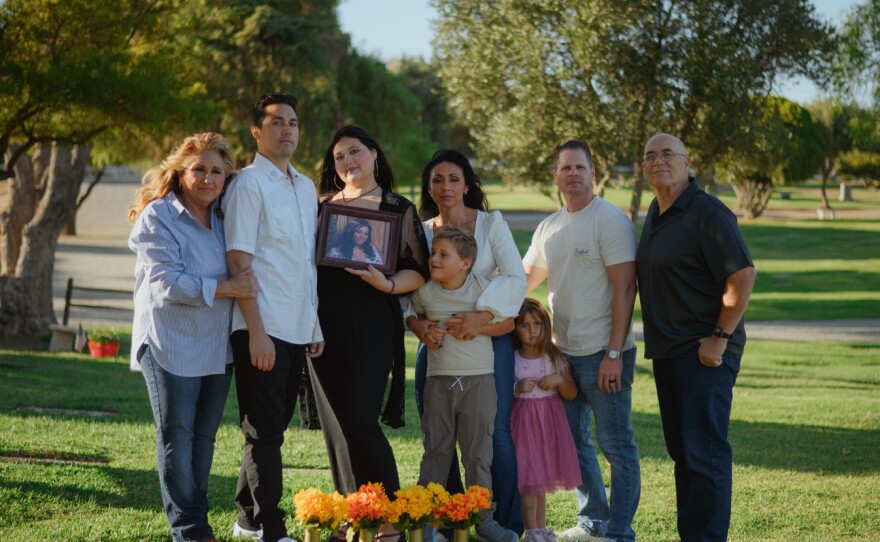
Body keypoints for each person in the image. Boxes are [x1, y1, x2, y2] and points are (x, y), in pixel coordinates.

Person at [128, 132, 259, 542]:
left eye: (217, 171)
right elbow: (167, 283)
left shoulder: (226, 217)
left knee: (204, 438)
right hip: (170, 342)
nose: (208, 178)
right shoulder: (158, 217)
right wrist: (228, 288)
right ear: (180, 172)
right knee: (177, 436)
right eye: (198, 169)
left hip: (216, 345)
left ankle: (196, 523)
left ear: (227, 177)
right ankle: (189, 530)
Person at [311, 125, 429, 540]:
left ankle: (388, 520)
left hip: (373, 328)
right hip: (322, 330)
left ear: (374, 154)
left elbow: (418, 269)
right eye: (339, 156)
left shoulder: (398, 208)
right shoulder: (321, 207)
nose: (347, 161)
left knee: (361, 420)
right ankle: (351, 514)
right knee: (336, 426)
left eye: (355, 151)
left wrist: (389, 285)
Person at [636, 133, 755, 542]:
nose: (658, 161)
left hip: (705, 352)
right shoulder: (657, 209)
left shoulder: (707, 211)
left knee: (705, 456)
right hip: (669, 354)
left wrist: (720, 337)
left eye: (667, 153)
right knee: (684, 456)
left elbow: (742, 274)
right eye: (650, 156)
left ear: (687, 162)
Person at [522, 140, 640, 542]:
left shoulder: (609, 220)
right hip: (564, 357)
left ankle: (619, 533)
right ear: (555, 176)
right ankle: (593, 522)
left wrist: (613, 353)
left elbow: (625, 288)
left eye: (580, 167)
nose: (572, 173)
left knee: (617, 447)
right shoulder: (549, 227)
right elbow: (523, 281)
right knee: (574, 445)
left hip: (604, 354)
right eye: (565, 168)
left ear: (593, 172)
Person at [406, 149, 526, 538]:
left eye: (454, 179)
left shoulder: (491, 225)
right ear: (429, 186)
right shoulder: (422, 233)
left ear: (468, 183)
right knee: (438, 440)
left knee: (493, 438)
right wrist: (418, 326)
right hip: (439, 351)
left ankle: (497, 520)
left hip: (488, 347)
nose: (445, 187)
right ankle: (443, 518)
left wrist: (482, 318)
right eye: (437, 179)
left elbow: (513, 277)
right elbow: (409, 295)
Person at [222, 92, 324, 542]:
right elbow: (239, 264)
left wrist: (313, 324)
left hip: (298, 327)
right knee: (264, 430)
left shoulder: (305, 187)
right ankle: (270, 526)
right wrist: (257, 334)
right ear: (256, 132)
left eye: (294, 123)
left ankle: (246, 517)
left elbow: (305, 264)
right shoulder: (247, 184)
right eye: (277, 122)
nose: (287, 130)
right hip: (261, 327)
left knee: (273, 427)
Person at [413, 227, 518, 542]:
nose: (434, 259)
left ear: (466, 263)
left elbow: (510, 322)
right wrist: (418, 325)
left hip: (479, 383)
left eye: (444, 254)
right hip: (438, 383)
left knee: (477, 455)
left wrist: (481, 324)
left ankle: (483, 520)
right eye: (434, 253)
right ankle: (426, 522)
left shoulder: (484, 290)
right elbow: (412, 315)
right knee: (436, 453)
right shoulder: (425, 291)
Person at [510, 298, 581, 542]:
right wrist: (517, 388)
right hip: (524, 428)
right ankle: (532, 532)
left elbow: (571, 393)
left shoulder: (554, 357)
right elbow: (501, 393)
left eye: (538, 324)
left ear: (546, 325)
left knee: (540, 483)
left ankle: (541, 528)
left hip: (548, 428)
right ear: (515, 328)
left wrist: (559, 381)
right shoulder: (513, 358)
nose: (532, 331)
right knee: (529, 480)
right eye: (525, 325)